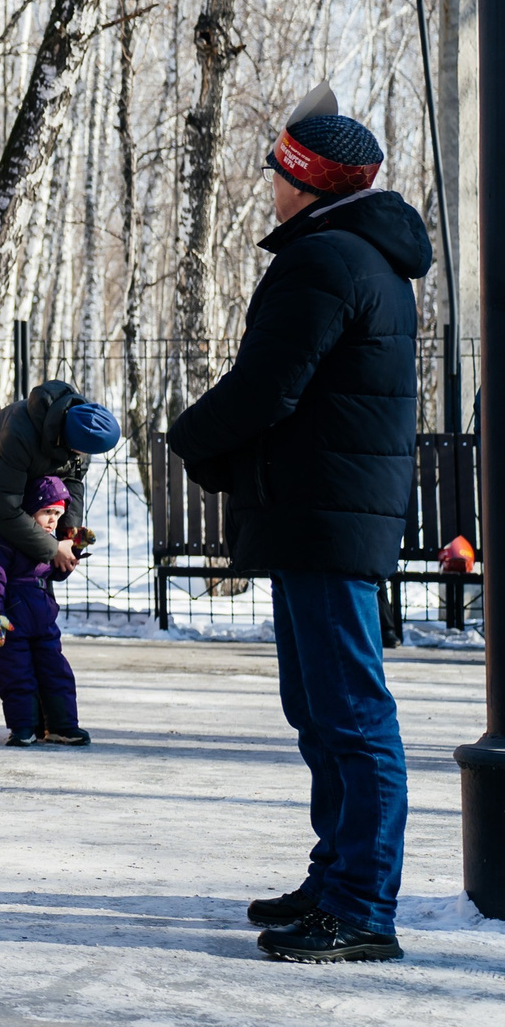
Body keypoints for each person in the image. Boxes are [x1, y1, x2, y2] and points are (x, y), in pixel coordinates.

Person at [168, 87, 428, 964]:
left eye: (281, 169)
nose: (271, 183)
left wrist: (189, 436)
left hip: (324, 518)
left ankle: (361, 904)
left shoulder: (327, 263)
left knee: (350, 714)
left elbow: (267, 387)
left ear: (309, 180)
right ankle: (337, 874)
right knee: (320, 710)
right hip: (321, 514)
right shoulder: (367, 260)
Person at [0, 381, 120, 745]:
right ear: (65, 435)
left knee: (30, 587)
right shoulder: (18, 432)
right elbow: (3, 511)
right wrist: (52, 549)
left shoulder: (82, 434)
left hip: (26, 504)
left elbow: (73, 485)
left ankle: (43, 713)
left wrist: (67, 536)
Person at [0, 478, 87, 748]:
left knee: (56, 672)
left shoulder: (49, 543)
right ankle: (23, 727)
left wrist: (71, 555)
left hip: (43, 621)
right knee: (17, 676)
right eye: (47, 512)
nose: (53, 521)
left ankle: (62, 726)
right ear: (29, 511)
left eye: (58, 514)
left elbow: (50, 574)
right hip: (10, 623)